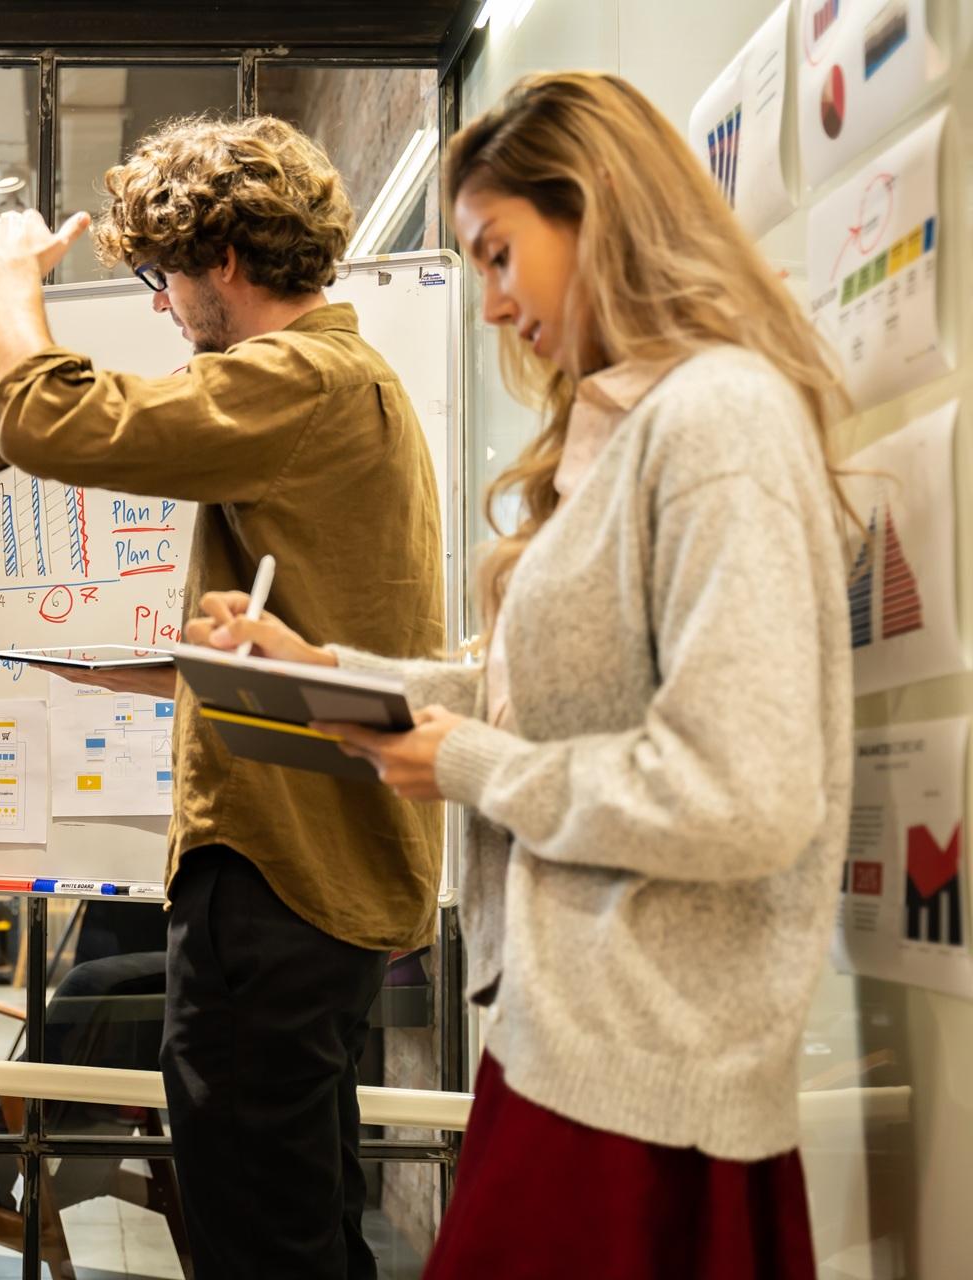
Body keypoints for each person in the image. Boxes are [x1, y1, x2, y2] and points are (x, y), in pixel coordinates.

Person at [191, 72, 852, 1280]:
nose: (491, 305)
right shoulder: (640, 422)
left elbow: (748, 791)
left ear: (597, 210)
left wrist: (472, 764)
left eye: (502, 255)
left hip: (648, 1077)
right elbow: (535, 697)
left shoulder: (716, 423)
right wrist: (325, 666)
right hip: (581, 1044)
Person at [0, 114, 444, 1278]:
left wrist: (7, 277)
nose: (164, 307)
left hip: (276, 878)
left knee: (257, 1244)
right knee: (309, 1227)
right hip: (319, 877)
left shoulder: (300, 379)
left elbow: (45, 417)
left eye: (161, 276)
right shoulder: (348, 385)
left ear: (223, 258)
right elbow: (320, 636)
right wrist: (146, 667)